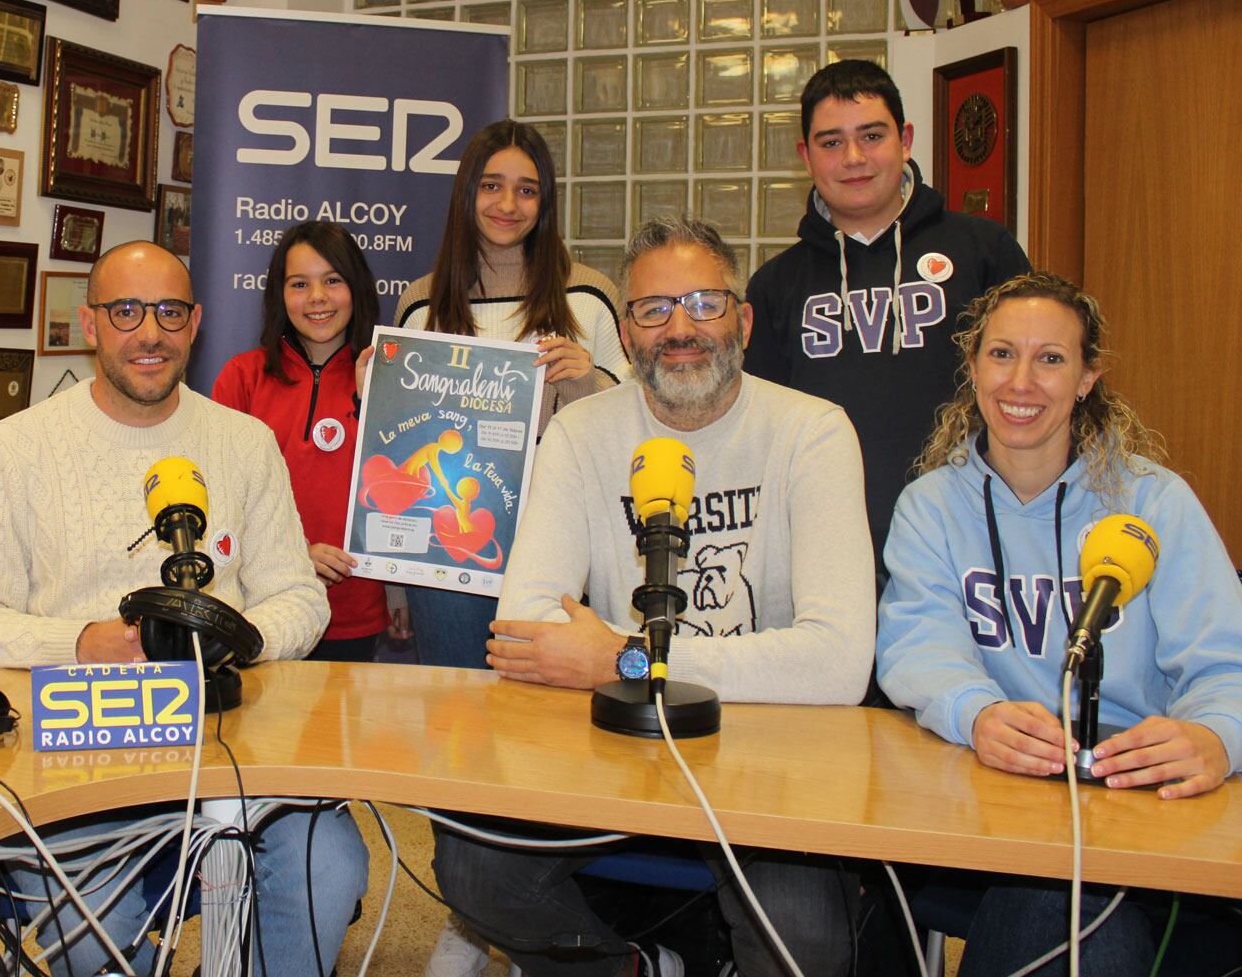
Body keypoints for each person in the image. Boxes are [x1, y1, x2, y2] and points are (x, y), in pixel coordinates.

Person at [433, 214, 876, 977]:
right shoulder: (582, 433)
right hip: (614, 748)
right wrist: (633, 669)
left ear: (741, 317)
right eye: (653, 309)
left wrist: (621, 657)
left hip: (769, 757)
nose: (681, 328)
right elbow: (522, 627)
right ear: (627, 333)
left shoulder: (813, 432)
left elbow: (838, 664)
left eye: (705, 303)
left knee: (806, 942)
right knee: (472, 867)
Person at [0, 241, 368, 975]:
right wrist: (82, 642)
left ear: (196, 322)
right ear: (90, 324)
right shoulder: (19, 447)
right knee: (94, 930)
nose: (150, 333)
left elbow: (299, 598)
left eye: (169, 312)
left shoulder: (242, 442)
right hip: (80, 754)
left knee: (329, 869)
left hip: (231, 740)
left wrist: (238, 639)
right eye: (126, 311)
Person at [877, 272, 1242, 977]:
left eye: (1051, 359)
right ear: (973, 367)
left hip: (1139, 813)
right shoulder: (931, 506)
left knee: (1068, 919)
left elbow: (1226, 663)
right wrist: (975, 712)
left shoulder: (1154, 503)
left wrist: (1215, 735)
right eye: (1002, 354)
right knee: (1061, 916)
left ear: (1086, 379)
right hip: (998, 808)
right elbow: (917, 646)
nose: (1022, 381)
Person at [743, 59, 1029, 570]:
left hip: (972, 537)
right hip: (828, 549)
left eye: (872, 135)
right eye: (831, 142)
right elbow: (761, 432)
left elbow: (1033, 387)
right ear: (806, 157)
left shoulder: (986, 251)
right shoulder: (774, 287)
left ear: (906, 139)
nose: (854, 157)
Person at [394, 118, 628, 673]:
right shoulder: (421, 304)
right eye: (491, 185)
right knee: (455, 721)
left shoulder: (590, 295)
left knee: (546, 732)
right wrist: (395, 588)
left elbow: (634, 426)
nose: (509, 204)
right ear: (467, 193)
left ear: (544, 202)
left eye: (527, 190)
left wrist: (587, 384)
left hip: (567, 550)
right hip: (446, 551)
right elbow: (404, 450)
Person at [212, 222, 404, 660]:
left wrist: (398, 592)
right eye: (300, 284)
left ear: (356, 289)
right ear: (280, 295)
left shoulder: (389, 376)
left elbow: (402, 494)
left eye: (333, 280)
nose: (317, 297)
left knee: (339, 729)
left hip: (354, 609)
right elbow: (217, 499)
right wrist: (295, 554)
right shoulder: (242, 377)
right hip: (258, 607)